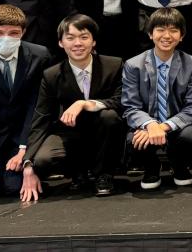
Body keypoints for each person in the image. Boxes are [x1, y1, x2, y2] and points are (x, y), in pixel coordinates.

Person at [20, 15, 124, 200]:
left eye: (84, 37)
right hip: (70, 132)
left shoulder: (114, 65)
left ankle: (104, 175)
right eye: (70, 38)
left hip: (104, 130)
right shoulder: (51, 75)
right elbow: (41, 117)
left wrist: (85, 103)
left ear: (93, 41)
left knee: (109, 116)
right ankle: (77, 171)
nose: (77, 43)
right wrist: (28, 164)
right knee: (42, 160)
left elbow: (122, 100)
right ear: (61, 43)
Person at [122, 8, 192, 190]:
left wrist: (162, 127)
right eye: (160, 30)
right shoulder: (133, 65)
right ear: (150, 34)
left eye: (174, 30)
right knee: (132, 138)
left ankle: (179, 164)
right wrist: (150, 125)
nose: (167, 36)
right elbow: (130, 107)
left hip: (176, 126)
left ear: (181, 36)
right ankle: (151, 167)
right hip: (148, 125)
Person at [0, 5, 52, 198]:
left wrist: (25, 151)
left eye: (13, 33)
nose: (5, 38)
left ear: (23, 32)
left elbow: (37, 106)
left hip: (22, 136)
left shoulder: (40, 56)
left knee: (14, 189)